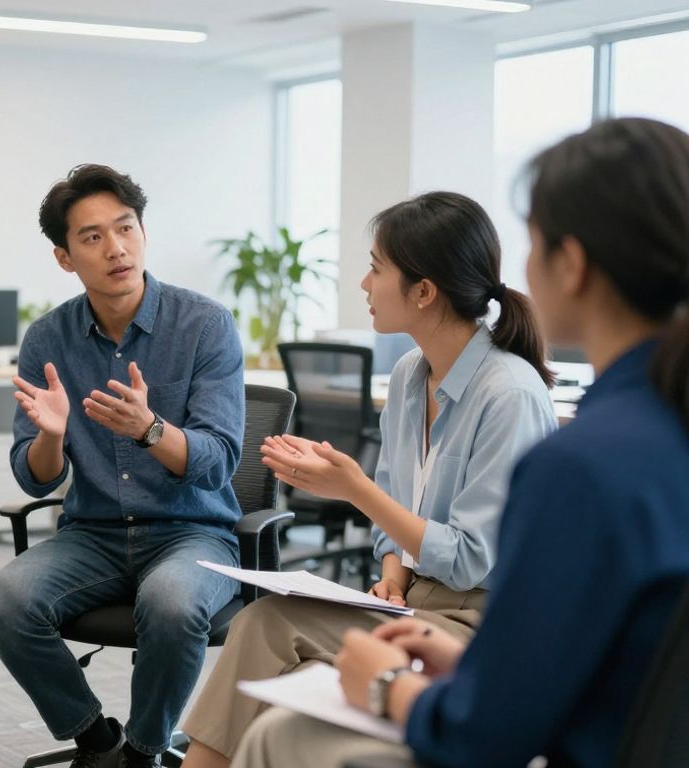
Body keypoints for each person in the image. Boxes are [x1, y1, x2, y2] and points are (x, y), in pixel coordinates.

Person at [231, 117, 689, 768]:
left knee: (284, 735)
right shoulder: (656, 431)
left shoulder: (581, 465)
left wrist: (389, 686)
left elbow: (488, 732)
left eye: (533, 242)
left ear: (571, 265)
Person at [178, 191, 558, 765]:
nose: (363, 283)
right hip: (414, 604)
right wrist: (392, 577)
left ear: (423, 291)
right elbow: (397, 521)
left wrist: (355, 490)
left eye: (376, 269)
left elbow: (469, 559)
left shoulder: (509, 396)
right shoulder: (409, 376)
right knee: (280, 676)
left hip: (479, 624)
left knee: (269, 626)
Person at [0, 163, 247, 768]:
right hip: (93, 535)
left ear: (143, 232)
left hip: (192, 531)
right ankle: (97, 740)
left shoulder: (205, 325)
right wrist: (52, 437)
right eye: (92, 237)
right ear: (64, 257)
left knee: (172, 604)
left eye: (125, 228)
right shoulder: (47, 339)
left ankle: (143, 753)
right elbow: (34, 475)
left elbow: (219, 461)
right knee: (6, 600)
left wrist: (150, 430)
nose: (116, 248)